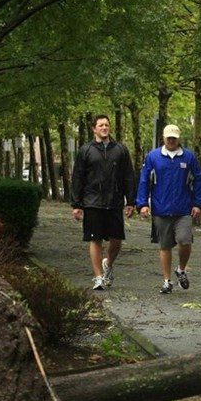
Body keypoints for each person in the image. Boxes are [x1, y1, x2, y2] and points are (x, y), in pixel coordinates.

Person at [135, 124, 201, 294]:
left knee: (185, 240)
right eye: (169, 138)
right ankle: (167, 280)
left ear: (178, 138)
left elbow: (199, 180)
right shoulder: (153, 157)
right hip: (161, 208)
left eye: (174, 138)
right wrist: (143, 203)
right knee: (165, 246)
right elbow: (144, 180)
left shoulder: (188, 157)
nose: (172, 140)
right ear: (163, 138)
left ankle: (181, 269)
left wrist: (198, 204)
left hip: (184, 209)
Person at [70, 114, 136, 291]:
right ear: (94, 129)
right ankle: (98, 277)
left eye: (107, 125)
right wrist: (76, 204)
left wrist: (131, 201)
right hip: (92, 201)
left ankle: (109, 264)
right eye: (101, 125)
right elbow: (77, 177)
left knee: (116, 241)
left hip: (114, 201)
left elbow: (129, 176)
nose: (104, 128)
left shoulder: (121, 150)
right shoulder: (86, 150)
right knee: (95, 239)